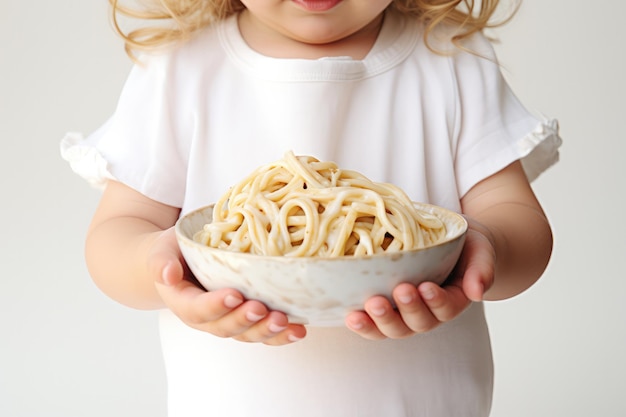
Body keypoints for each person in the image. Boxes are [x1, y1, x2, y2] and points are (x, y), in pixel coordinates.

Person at [61, 0, 562, 415]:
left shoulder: (451, 56)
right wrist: (161, 266)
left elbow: (514, 218)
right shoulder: (180, 67)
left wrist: (487, 246)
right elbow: (117, 232)